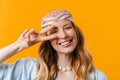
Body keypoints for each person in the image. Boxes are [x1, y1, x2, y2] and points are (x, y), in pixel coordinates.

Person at [0, 9, 107, 80]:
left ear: (76, 32)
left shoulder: (97, 77)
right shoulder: (29, 68)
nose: (63, 35)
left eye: (67, 27)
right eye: (54, 31)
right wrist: (19, 45)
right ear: (47, 39)